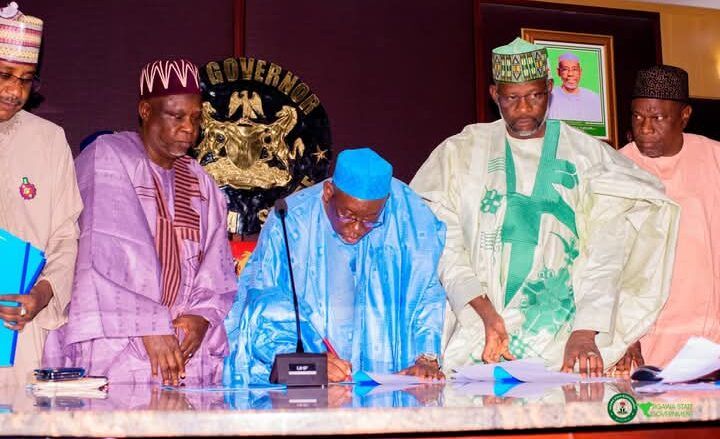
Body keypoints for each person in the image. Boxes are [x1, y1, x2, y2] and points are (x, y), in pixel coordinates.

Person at [410, 38, 679, 376]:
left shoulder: (587, 156)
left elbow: (607, 252)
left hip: (563, 343)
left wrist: (585, 331)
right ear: (495, 94)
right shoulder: (459, 154)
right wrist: (482, 310)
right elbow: (440, 242)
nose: (524, 109)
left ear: (550, 89)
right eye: (511, 98)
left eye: (535, 96)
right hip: (477, 331)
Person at [43, 58, 236, 385]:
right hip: (118, 341)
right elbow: (100, 256)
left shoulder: (201, 180)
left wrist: (201, 318)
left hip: (183, 346)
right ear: (146, 111)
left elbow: (218, 267)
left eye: (195, 118)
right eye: (176, 116)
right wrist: (149, 324)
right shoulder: (109, 156)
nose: (189, 127)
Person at [224, 148, 446, 384]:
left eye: (370, 220)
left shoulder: (409, 218)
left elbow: (425, 294)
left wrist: (426, 357)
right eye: (348, 216)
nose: (357, 230)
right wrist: (308, 361)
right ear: (328, 193)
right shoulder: (291, 219)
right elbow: (266, 303)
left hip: (387, 378)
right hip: (314, 386)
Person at [0, 2, 82, 386]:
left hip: (20, 328)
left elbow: (66, 235)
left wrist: (43, 294)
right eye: (4, 75)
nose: (14, 90)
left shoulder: (49, 140)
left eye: (26, 79)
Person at [620, 65, 720, 368]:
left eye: (658, 118)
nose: (645, 128)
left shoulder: (715, 158)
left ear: (684, 116)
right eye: (638, 117)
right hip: (645, 335)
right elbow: (602, 263)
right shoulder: (616, 168)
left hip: (711, 329)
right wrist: (623, 339)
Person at [548, 52, 603, 122]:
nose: (570, 74)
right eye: (565, 69)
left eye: (574, 69)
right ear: (559, 72)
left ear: (580, 72)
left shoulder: (594, 98)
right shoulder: (549, 97)